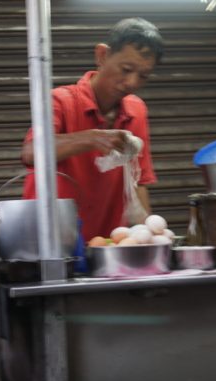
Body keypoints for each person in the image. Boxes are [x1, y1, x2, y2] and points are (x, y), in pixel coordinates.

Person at [20, 18, 163, 242]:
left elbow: (139, 182)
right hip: (53, 244)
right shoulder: (61, 101)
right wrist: (92, 138)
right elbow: (30, 153)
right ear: (102, 55)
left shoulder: (137, 110)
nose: (132, 82)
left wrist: (148, 234)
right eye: (126, 70)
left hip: (106, 245)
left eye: (143, 76)